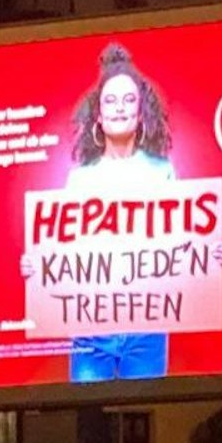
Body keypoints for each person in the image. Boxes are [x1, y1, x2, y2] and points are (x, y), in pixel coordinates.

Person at [24, 44, 178, 381]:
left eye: (128, 100)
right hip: (90, 330)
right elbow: (62, 249)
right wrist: (38, 265)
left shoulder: (162, 172)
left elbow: (184, 244)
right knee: (88, 424)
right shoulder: (79, 179)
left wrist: (210, 256)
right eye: (110, 100)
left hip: (147, 328)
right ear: (98, 114)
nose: (119, 109)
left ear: (141, 112)